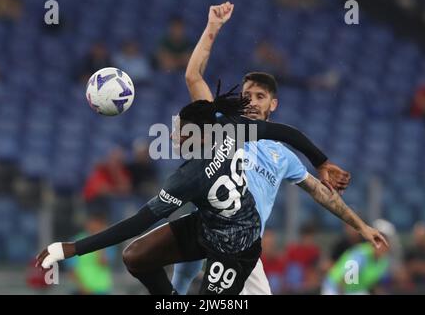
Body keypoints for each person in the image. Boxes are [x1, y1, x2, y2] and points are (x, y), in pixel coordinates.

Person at [36, 86, 387, 295]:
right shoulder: (232, 130)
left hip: (238, 247)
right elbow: (286, 133)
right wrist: (321, 161)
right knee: (135, 257)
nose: (173, 137)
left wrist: (71, 248)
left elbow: (137, 221)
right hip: (207, 226)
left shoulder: (188, 178)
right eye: (174, 129)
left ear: (201, 136)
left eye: (181, 132)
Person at [173, 2, 349, 295]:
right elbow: (193, 76)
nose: (252, 101)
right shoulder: (220, 123)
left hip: (243, 242)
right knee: (176, 285)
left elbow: (320, 191)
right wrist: (212, 28)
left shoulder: (283, 155)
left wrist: (359, 224)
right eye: (246, 96)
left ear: (273, 104)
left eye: (259, 96)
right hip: (206, 224)